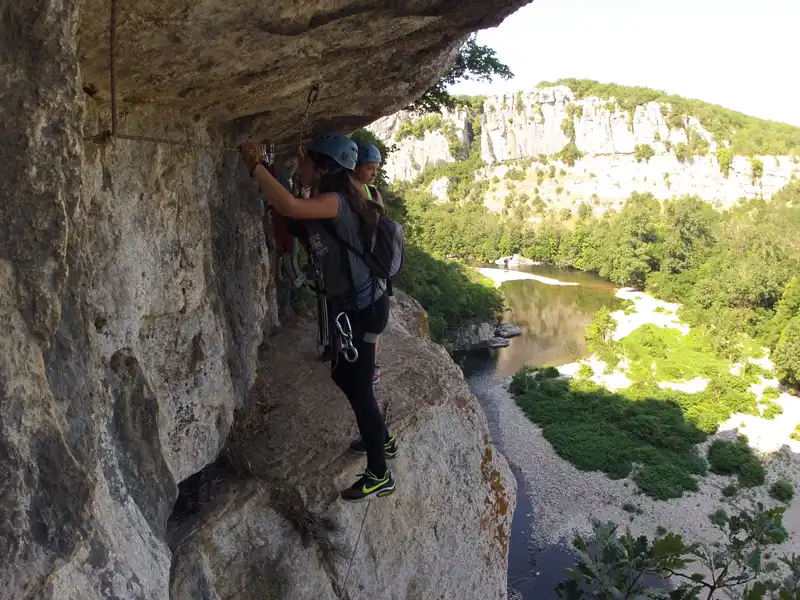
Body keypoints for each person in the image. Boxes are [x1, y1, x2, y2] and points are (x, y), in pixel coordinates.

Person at [240, 134, 398, 502]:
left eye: (307, 162)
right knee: (347, 377)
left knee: (357, 387)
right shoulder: (344, 197)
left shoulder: (335, 201)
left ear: (323, 166)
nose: (302, 168)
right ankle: (382, 437)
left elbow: (293, 208)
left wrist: (256, 167)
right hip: (362, 305)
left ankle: (379, 473)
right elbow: (302, 215)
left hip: (361, 310)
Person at [353, 140, 385, 385]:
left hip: (369, 262)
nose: (373, 173)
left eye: (375, 169)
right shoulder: (351, 193)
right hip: (358, 261)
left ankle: (370, 365)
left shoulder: (373, 193)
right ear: (355, 167)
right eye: (369, 168)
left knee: (373, 321)